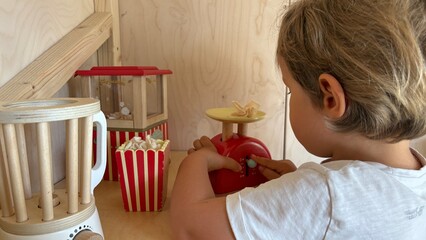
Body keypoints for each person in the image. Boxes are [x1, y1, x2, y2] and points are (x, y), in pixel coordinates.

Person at [170, 0, 426, 239]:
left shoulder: (325, 195)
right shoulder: (417, 174)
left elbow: (189, 226)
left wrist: (195, 161)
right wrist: (295, 192)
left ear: (330, 99)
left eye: (290, 89)